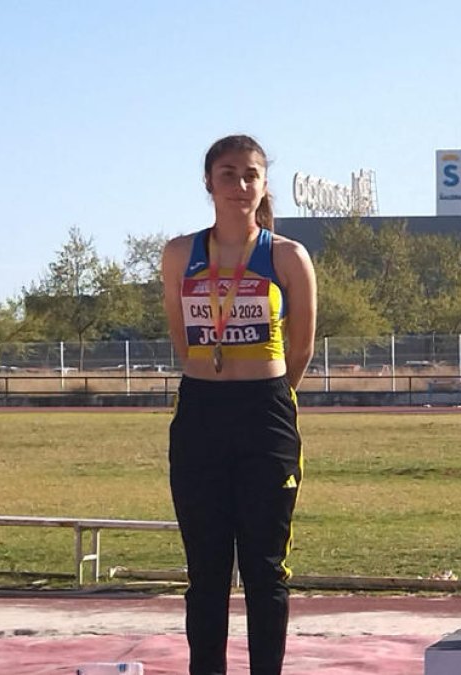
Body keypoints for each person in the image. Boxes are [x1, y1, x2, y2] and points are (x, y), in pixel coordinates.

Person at [161, 134, 317, 675]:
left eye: (251, 174)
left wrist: (266, 391)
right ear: (209, 182)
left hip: (266, 414)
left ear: (264, 183)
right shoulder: (181, 254)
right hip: (201, 411)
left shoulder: (288, 256)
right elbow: (182, 341)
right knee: (205, 570)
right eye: (228, 174)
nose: (240, 185)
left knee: (265, 568)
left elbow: (301, 347)